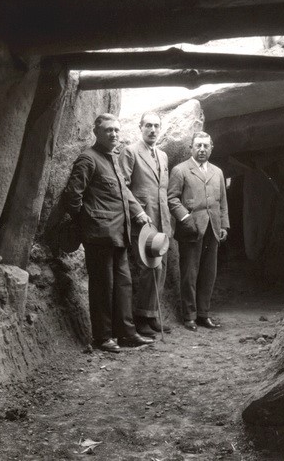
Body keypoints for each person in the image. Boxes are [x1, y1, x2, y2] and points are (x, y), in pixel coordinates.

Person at [64, 113, 154, 352]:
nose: (114, 134)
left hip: (119, 233)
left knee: (123, 285)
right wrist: (87, 223)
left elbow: (123, 191)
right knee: (103, 287)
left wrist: (138, 212)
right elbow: (73, 196)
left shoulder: (113, 158)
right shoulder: (88, 159)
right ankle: (103, 337)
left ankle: (126, 333)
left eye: (116, 130)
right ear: (97, 133)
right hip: (99, 236)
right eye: (108, 130)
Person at [168, 131, 230, 331]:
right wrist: (186, 218)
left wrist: (224, 225)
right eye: (198, 146)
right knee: (190, 273)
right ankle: (189, 316)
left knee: (208, 273)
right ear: (191, 148)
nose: (202, 149)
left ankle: (204, 314)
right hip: (191, 229)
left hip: (213, 228)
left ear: (211, 148)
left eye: (205, 146)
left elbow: (222, 202)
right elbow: (172, 199)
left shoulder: (217, 172)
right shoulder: (180, 170)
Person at [119, 112, 172, 337]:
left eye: (156, 126)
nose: (152, 130)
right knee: (149, 267)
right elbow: (122, 186)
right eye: (148, 125)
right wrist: (137, 211)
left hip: (162, 220)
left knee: (161, 266)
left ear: (160, 129)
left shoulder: (163, 155)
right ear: (140, 127)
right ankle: (141, 318)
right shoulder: (130, 152)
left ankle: (151, 316)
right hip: (143, 219)